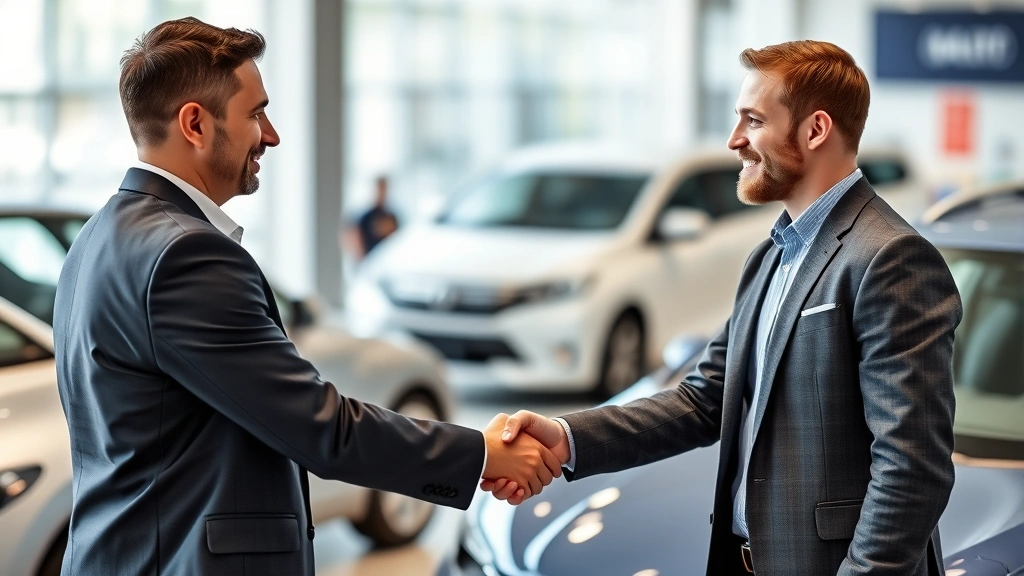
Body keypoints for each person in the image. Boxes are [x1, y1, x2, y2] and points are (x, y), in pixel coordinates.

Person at [52, 18, 557, 576]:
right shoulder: (185, 256)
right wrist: (483, 454)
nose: (271, 135)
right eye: (256, 112)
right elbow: (322, 428)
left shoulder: (97, 237)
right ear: (194, 123)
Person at [484, 41, 962, 576]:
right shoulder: (771, 256)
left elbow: (912, 466)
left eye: (753, 120)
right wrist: (568, 438)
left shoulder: (891, 259)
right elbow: (704, 398)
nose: (735, 141)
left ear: (815, 130)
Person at [350, 174, 400, 260]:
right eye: (380, 189)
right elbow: (356, 239)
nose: (382, 193)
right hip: (369, 261)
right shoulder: (365, 217)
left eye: (384, 189)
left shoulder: (392, 217)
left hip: (387, 260)